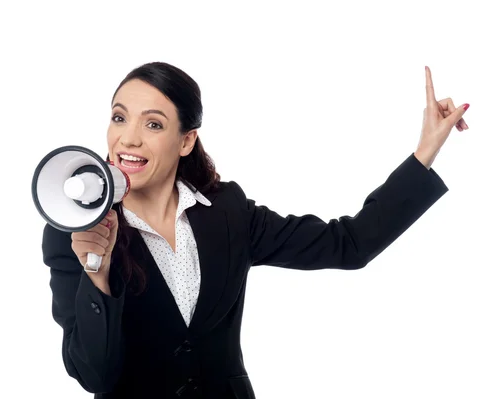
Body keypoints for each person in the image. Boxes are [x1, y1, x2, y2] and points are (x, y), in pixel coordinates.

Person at [41, 62, 470, 398]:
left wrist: (424, 152)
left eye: (153, 124)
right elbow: (93, 373)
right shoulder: (74, 233)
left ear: (186, 140)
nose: (128, 139)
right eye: (119, 117)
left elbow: (350, 245)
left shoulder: (226, 212)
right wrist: (97, 270)